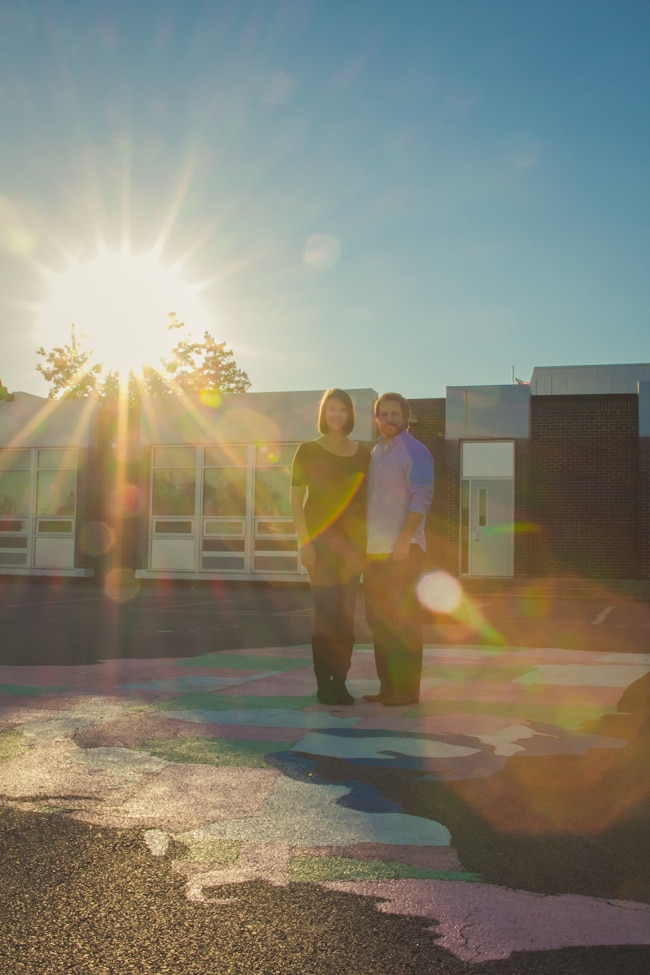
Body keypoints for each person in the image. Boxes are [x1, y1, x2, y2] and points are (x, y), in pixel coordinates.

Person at [290, 389, 370, 705]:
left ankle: (341, 681)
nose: (337, 415)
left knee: (346, 616)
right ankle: (325, 684)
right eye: (331, 409)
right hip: (320, 546)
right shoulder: (307, 450)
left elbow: (368, 502)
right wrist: (304, 543)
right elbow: (296, 502)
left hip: (352, 547)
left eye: (343, 409)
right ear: (323, 413)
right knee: (325, 615)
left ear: (350, 414)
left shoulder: (363, 453)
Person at [363, 392, 434, 706]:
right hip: (375, 550)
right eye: (383, 414)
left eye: (394, 414)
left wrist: (404, 538)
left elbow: (422, 497)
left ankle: (407, 690)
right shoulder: (377, 452)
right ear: (376, 418)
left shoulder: (416, 452)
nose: (388, 419)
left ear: (405, 417)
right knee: (379, 620)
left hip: (404, 550)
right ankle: (388, 687)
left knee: (405, 620)